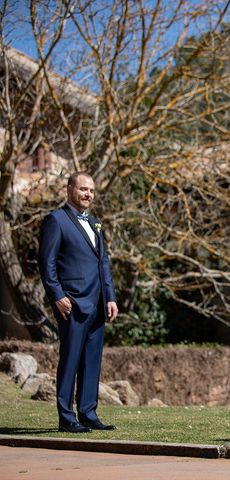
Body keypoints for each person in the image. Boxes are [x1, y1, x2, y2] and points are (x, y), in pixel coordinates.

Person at [38, 171, 118, 433]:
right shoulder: (56, 221)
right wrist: (57, 295)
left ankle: (87, 412)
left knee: (92, 361)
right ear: (70, 189)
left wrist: (110, 297)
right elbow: (46, 263)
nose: (88, 195)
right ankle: (66, 416)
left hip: (97, 305)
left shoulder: (95, 223)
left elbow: (102, 262)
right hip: (71, 303)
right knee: (70, 359)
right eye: (83, 189)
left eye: (92, 191)